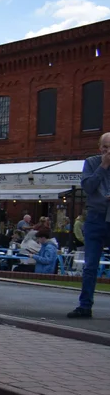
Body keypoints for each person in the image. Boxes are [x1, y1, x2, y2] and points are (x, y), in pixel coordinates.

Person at [69, 132, 110, 318]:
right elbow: (88, 187)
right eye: (105, 147)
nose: (108, 151)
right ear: (99, 147)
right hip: (95, 217)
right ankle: (85, 306)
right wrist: (103, 166)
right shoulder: (92, 162)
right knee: (90, 265)